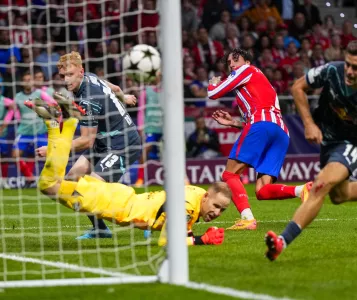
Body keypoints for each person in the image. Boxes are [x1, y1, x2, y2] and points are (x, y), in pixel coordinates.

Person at [265, 39, 357, 261]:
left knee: (320, 186)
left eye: (355, 67)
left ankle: (281, 242)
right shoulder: (332, 71)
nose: (348, 70)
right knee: (339, 195)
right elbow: (298, 86)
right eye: (347, 64)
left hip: (353, 144)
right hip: (329, 141)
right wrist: (308, 123)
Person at [26, 104, 229, 246]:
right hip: (112, 204)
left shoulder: (196, 193)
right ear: (206, 197)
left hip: (120, 197)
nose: (217, 212)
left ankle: (63, 124)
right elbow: (167, 241)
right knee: (48, 184)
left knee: (54, 183)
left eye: (222, 210)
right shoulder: (188, 206)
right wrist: (203, 240)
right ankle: (60, 125)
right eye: (217, 206)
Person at [35, 51, 141, 240]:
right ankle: (100, 229)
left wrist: (53, 150)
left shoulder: (89, 98)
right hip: (104, 141)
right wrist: (124, 98)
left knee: (92, 186)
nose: (67, 80)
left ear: (81, 72)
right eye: (63, 76)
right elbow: (115, 88)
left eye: (70, 75)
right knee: (73, 179)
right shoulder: (90, 78)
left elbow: (86, 140)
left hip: (122, 143)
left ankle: (144, 220)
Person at [208, 48, 311, 230]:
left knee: (230, 174)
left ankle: (247, 218)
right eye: (229, 62)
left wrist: (212, 83)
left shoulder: (247, 70)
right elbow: (256, 116)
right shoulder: (259, 83)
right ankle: (301, 190)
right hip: (280, 131)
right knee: (262, 190)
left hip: (262, 125)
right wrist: (233, 122)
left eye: (235, 60)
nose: (231, 65)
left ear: (247, 62)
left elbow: (213, 94)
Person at [12, 72, 49, 188]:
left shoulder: (40, 93)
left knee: (51, 155)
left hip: (39, 132)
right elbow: (12, 112)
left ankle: (50, 179)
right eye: (25, 80)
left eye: (29, 79)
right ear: (22, 83)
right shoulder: (18, 97)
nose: (27, 82)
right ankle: (30, 177)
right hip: (24, 132)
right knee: (15, 155)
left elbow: (52, 103)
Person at [0, 95, 19, 189]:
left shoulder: (4, 100)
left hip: (2, 133)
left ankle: (3, 181)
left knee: (3, 156)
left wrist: (5, 123)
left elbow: (14, 106)